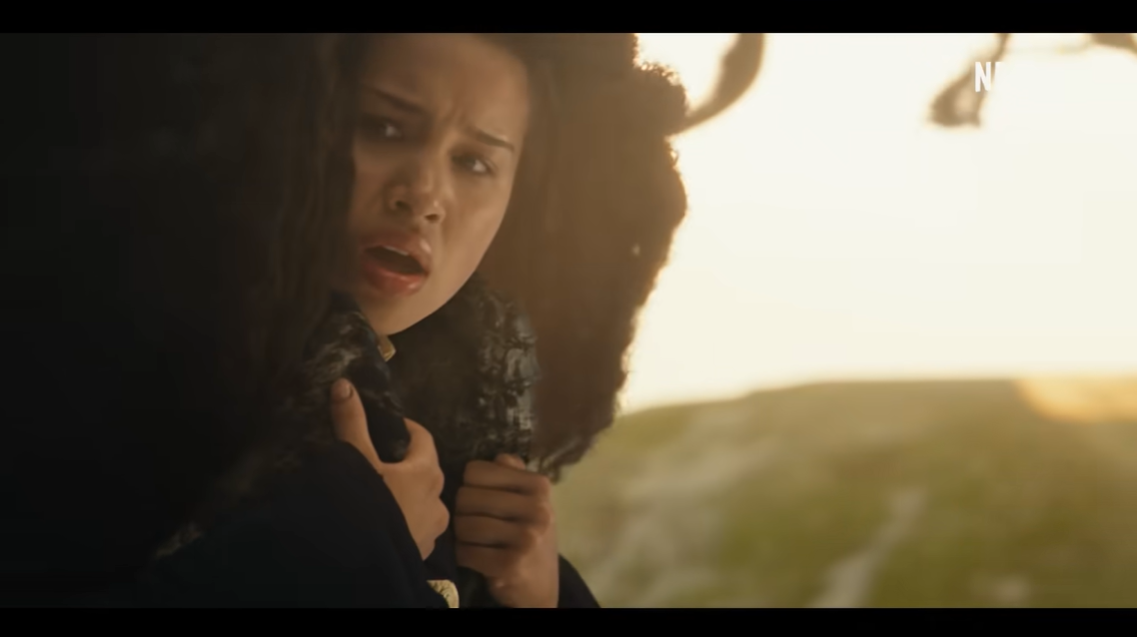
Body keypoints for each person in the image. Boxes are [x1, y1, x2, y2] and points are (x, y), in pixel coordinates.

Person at [0, 33, 689, 607]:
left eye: (474, 161)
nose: (423, 193)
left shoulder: (457, 446)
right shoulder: (88, 374)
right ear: (286, 119)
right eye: (384, 127)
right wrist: (338, 547)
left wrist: (540, 595)